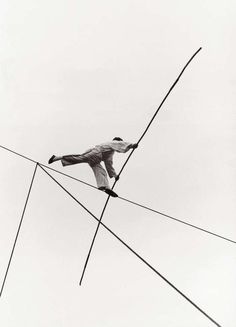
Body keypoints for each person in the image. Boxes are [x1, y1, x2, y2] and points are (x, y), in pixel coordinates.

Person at [48, 137, 138, 197]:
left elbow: (108, 164)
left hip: (95, 159)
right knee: (79, 158)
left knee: (101, 171)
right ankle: (56, 157)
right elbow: (120, 144)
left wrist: (115, 175)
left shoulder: (110, 152)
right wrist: (131, 145)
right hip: (95, 153)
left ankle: (105, 187)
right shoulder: (113, 143)